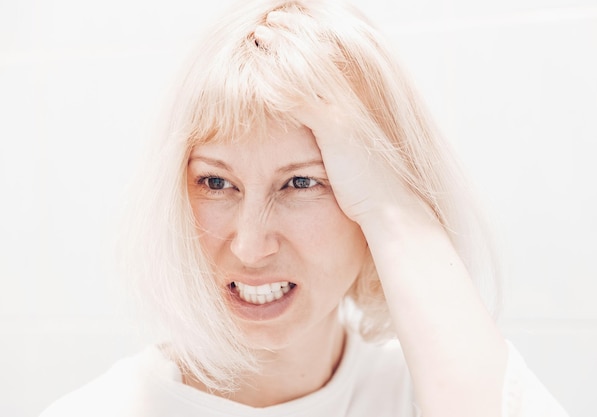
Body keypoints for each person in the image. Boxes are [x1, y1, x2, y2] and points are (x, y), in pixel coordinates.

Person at [40, 0, 570, 416]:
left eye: (300, 182)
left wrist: (392, 209)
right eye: (216, 182)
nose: (250, 246)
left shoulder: (433, 390)